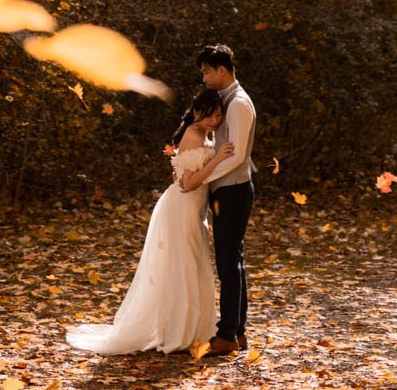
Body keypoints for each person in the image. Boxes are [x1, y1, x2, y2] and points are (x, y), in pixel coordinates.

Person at [65, 89, 233, 356]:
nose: (215, 120)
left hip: (192, 208)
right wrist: (218, 159)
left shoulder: (203, 133)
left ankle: (193, 330)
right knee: (183, 267)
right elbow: (188, 183)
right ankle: (178, 334)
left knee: (191, 265)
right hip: (183, 208)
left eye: (219, 115)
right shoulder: (193, 134)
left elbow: (182, 174)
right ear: (198, 112)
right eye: (211, 114)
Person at [180, 43, 256, 359]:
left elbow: (237, 154)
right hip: (224, 188)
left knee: (229, 261)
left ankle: (228, 334)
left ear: (221, 70)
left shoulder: (238, 104)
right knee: (230, 259)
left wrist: (203, 179)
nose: (205, 79)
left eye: (206, 72)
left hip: (234, 189)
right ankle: (236, 331)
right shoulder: (224, 101)